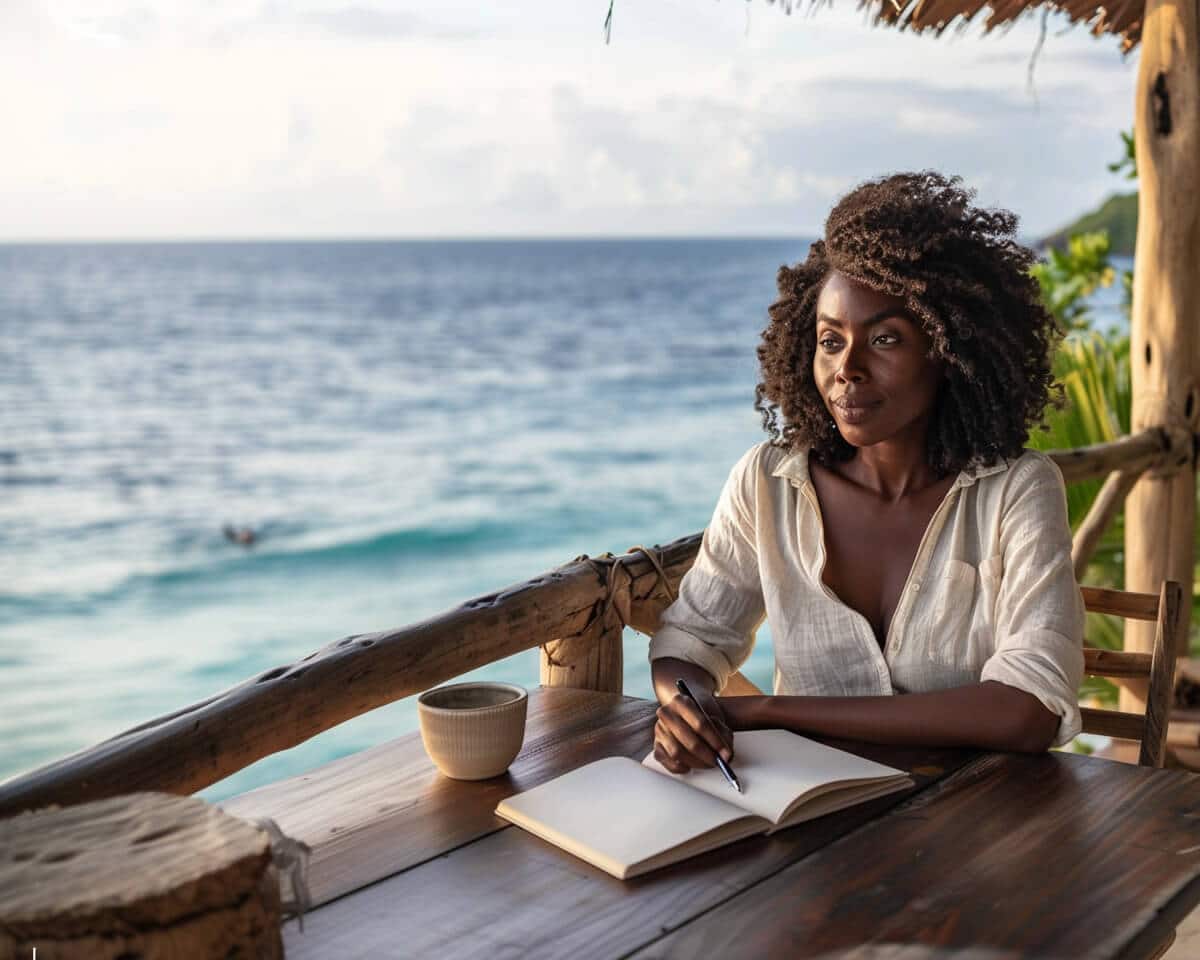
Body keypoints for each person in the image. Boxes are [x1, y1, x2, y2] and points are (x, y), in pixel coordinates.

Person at [649, 171, 1086, 775]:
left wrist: (774, 712)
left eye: (884, 339)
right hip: (808, 818)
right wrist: (688, 711)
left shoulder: (1014, 490)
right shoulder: (768, 483)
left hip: (974, 825)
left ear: (946, 348)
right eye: (830, 340)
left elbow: (1030, 709)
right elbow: (691, 641)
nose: (847, 368)